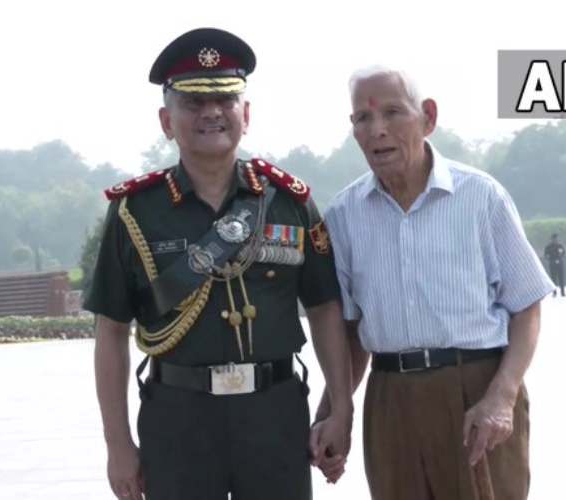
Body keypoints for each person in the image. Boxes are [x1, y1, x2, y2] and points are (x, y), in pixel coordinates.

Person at [84, 28, 352, 500]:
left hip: (274, 411)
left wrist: (340, 409)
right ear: (167, 120)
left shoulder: (288, 202)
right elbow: (110, 332)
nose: (211, 112)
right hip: (177, 416)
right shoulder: (134, 212)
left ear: (245, 114)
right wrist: (118, 443)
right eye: (192, 103)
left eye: (225, 99)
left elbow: (326, 309)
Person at [316, 67, 555, 499]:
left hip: (475, 390)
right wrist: (334, 410)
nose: (378, 130)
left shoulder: (481, 197)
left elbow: (527, 305)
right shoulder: (345, 215)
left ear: (427, 117)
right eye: (362, 119)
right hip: (391, 398)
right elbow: (351, 331)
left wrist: (502, 396)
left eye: (392, 113)